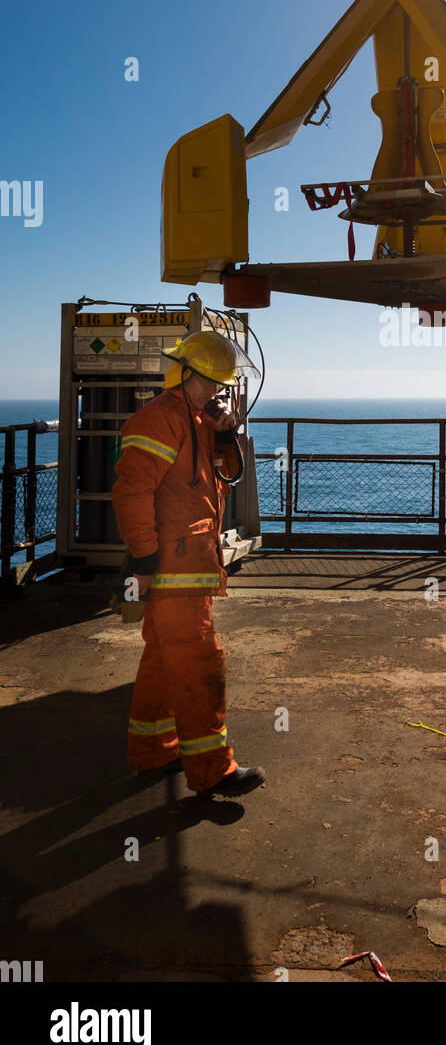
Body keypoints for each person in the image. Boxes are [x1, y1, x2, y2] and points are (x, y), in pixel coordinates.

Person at [111, 330, 265, 797]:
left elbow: (229, 476)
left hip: (189, 561)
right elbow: (130, 491)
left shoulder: (199, 418)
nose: (218, 392)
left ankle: (154, 750)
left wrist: (227, 433)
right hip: (174, 567)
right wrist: (143, 555)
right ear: (187, 374)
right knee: (201, 661)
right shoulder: (157, 420)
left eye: (223, 384)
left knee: (162, 656)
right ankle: (213, 770)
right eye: (212, 383)